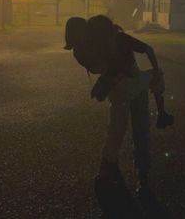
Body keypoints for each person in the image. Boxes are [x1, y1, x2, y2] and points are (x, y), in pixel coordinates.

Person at [64, 15, 174, 194]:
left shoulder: (117, 40)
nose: (85, 36)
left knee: (134, 130)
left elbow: (117, 65)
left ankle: (130, 172)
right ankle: (115, 170)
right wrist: (109, 77)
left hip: (128, 85)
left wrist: (108, 78)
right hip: (122, 88)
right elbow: (101, 68)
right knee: (122, 132)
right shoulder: (87, 48)